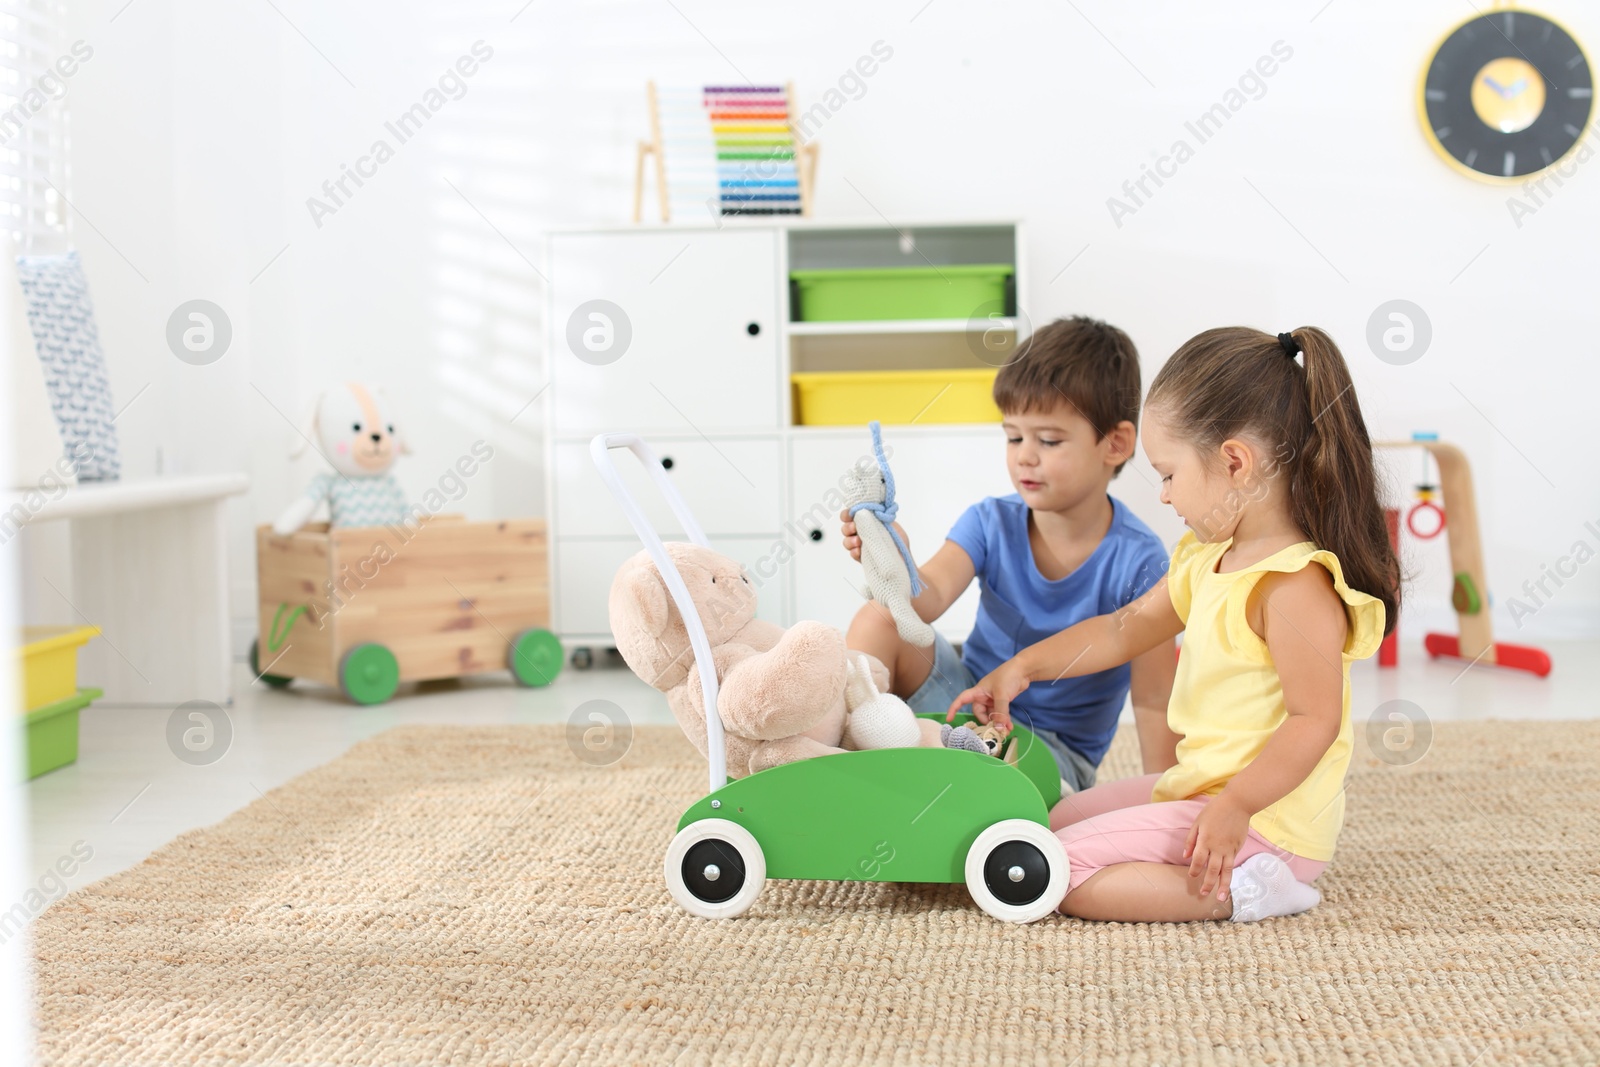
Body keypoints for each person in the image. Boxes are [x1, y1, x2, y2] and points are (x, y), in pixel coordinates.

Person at [948, 326, 1395, 923]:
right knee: (1050, 821)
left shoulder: (1293, 586)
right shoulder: (1205, 556)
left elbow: (1315, 721)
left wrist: (1236, 806)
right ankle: (1204, 867)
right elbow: (1122, 629)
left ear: (1234, 462)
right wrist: (1021, 669)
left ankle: (1256, 889)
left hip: (1266, 820)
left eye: (1167, 474)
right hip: (1205, 787)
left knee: (1060, 873)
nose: (1162, 496)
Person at [841, 316, 1179, 793]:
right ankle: (844, 750)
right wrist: (891, 557)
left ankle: (929, 767)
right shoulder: (989, 521)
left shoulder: (1141, 560)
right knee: (879, 616)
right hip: (963, 706)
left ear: (1115, 444)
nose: (1024, 456)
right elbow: (925, 601)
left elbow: (1153, 699)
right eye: (1014, 436)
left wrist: (1161, 803)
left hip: (1053, 752)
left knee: (1011, 787)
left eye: (1049, 440)